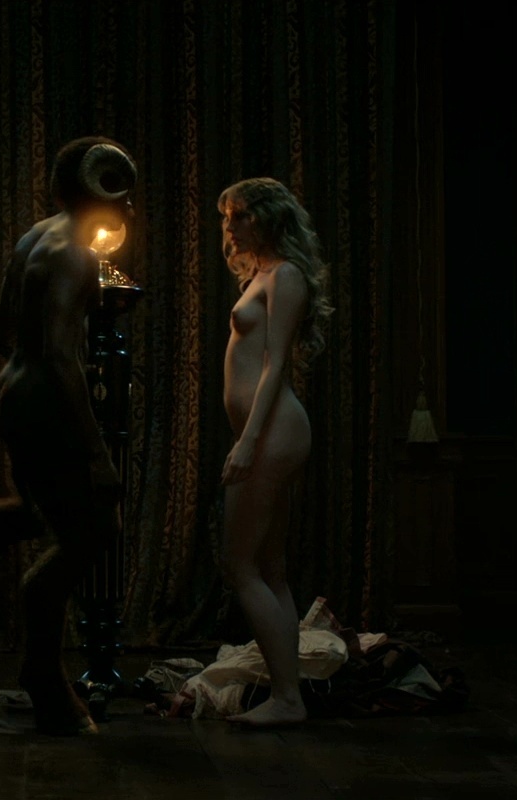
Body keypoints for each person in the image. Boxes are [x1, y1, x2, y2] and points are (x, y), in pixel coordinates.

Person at [0, 136, 137, 736]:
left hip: (12, 389)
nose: (129, 207)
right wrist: (96, 454)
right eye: (121, 194)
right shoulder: (76, 256)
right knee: (94, 530)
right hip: (43, 397)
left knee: (35, 511)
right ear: (101, 196)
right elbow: (61, 357)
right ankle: (42, 674)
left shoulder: (36, 235)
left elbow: (2, 334)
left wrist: (31, 377)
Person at [214, 177, 333, 728]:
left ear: (267, 215)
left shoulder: (284, 275)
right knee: (270, 569)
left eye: (239, 215)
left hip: (272, 432)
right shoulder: (261, 275)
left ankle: (287, 699)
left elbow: (275, 364)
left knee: (239, 565)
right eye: (227, 217)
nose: (230, 227)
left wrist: (247, 441)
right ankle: (289, 693)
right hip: (266, 431)